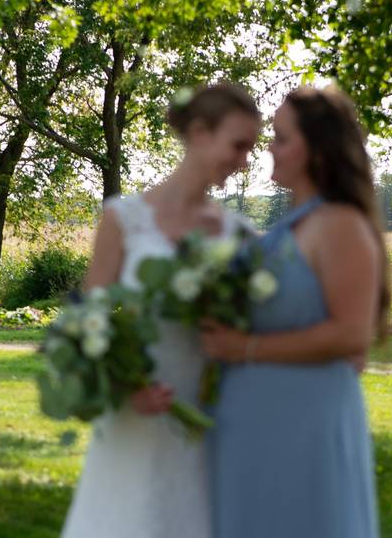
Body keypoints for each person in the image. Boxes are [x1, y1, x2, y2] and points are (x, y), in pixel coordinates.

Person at [61, 84, 261, 538]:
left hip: (206, 414)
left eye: (250, 148)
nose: (245, 160)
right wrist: (124, 388)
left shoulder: (239, 235)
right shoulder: (123, 218)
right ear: (199, 132)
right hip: (134, 415)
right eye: (239, 145)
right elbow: (86, 323)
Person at [202, 85, 389, 538]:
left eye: (282, 138)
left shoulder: (340, 224)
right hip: (255, 425)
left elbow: (352, 336)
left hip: (304, 425)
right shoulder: (287, 228)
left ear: (318, 150)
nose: (269, 146)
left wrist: (243, 347)